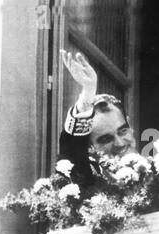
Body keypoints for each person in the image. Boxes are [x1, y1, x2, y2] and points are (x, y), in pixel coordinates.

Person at [59, 50, 137, 186]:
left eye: (123, 130)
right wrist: (88, 93)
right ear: (90, 147)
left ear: (130, 126)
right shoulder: (91, 188)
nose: (119, 143)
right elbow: (71, 148)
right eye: (106, 139)